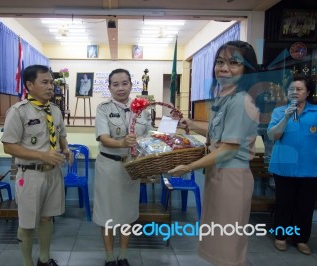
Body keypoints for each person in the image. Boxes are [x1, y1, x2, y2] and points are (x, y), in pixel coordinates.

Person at [168, 41, 260, 266]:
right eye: (220, 62)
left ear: (247, 69)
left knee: (227, 245)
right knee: (219, 239)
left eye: (234, 63)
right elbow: (219, 132)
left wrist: (189, 167)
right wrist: (189, 123)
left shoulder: (241, 101)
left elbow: (229, 148)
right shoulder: (227, 96)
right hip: (218, 175)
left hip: (231, 179)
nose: (224, 68)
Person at [1, 65, 72, 266]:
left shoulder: (55, 111)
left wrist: (66, 149)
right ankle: (27, 263)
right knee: (27, 223)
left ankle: (44, 259)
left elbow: (62, 136)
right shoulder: (18, 111)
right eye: (45, 82)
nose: (50, 87)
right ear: (30, 85)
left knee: (47, 219)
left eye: (51, 82)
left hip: (53, 174)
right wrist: (42, 156)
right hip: (30, 175)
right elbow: (9, 147)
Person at [93, 68, 153, 266]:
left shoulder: (142, 109)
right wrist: (122, 143)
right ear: (109, 87)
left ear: (131, 85)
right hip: (109, 166)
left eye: (125, 83)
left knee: (127, 213)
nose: (121, 88)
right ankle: (110, 257)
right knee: (107, 214)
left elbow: (149, 137)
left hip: (131, 168)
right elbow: (103, 138)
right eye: (116, 84)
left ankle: (123, 255)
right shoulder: (103, 108)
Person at [267, 74, 317, 255]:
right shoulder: (280, 112)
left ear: (308, 92)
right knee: (284, 203)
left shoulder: (315, 112)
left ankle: (301, 239)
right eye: (291, 89)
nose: (295, 92)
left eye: (299, 89)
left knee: (305, 206)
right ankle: (281, 237)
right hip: (284, 166)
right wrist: (286, 118)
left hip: (310, 168)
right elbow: (273, 136)